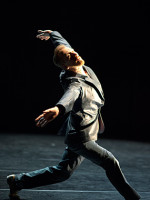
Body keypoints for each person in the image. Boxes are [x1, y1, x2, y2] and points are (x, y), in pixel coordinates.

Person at [6, 30, 141, 200]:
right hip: (81, 137)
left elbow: (65, 46)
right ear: (66, 66)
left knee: (63, 172)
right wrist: (58, 109)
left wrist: (53, 34)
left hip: (84, 129)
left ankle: (17, 181)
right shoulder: (74, 82)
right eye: (69, 56)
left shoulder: (79, 64)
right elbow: (70, 96)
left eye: (72, 52)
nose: (74, 54)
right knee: (110, 162)